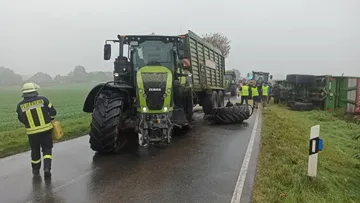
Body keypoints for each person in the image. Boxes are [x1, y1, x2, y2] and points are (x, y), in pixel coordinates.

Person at [16, 82, 57, 178]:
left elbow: (21, 119)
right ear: (35, 90)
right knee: (47, 150)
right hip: (46, 131)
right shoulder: (44, 100)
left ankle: (35, 170)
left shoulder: (20, 105)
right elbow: (53, 112)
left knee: (35, 151)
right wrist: (50, 119)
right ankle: (47, 169)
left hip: (32, 133)